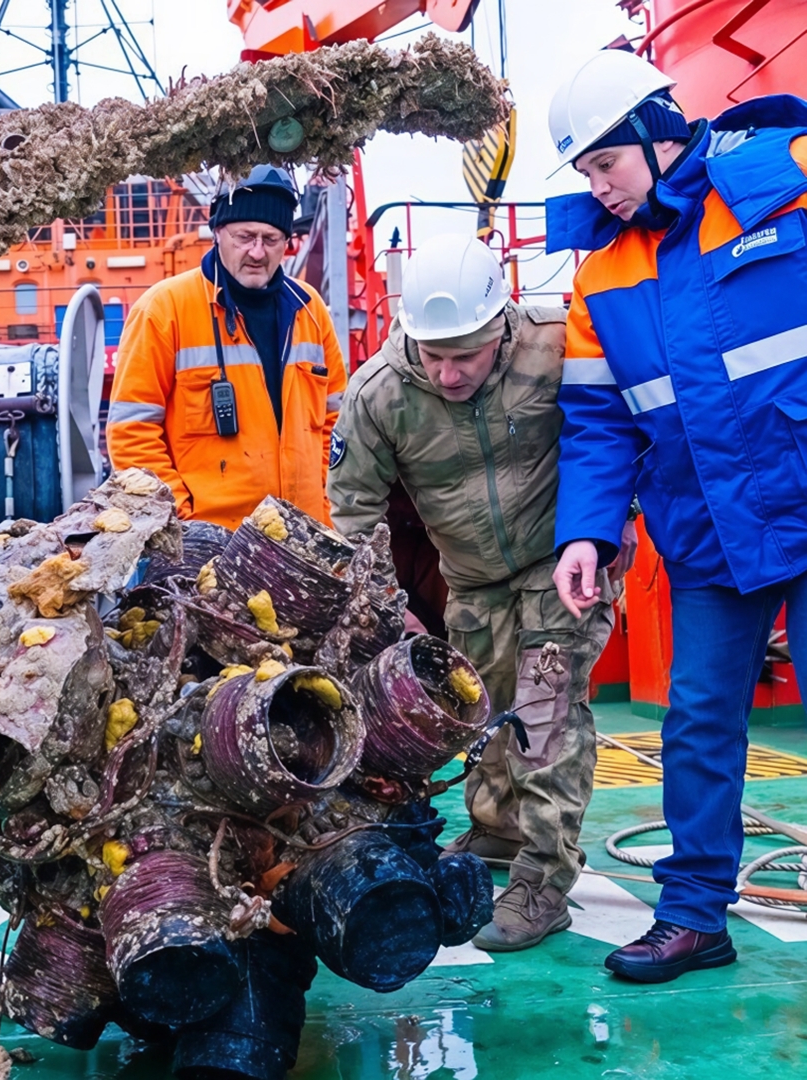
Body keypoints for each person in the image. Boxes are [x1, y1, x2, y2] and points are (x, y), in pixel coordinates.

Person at [546, 49, 807, 983]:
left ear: (658, 135)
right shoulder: (600, 279)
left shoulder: (784, 181)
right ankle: (695, 916)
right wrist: (585, 531)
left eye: (606, 163)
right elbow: (597, 420)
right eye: (584, 173)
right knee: (696, 722)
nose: (599, 188)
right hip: (708, 531)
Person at [327, 233, 633, 951]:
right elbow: (353, 514)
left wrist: (617, 522)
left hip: (561, 564)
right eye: (434, 355)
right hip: (469, 581)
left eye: (466, 354)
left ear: (502, 322)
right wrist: (386, 604)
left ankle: (543, 878)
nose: (449, 372)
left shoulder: (556, 345)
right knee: (484, 714)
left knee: (544, 716)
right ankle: (497, 830)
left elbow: (622, 427)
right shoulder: (379, 395)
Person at [106, 165, 348, 530]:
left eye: (271, 239)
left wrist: (325, 514)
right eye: (244, 236)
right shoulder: (164, 310)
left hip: (303, 537)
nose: (257, 252)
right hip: (208, 544)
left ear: (286, 241)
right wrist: (182, 525)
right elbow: (131, 433)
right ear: (218, 231)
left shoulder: (310, 309)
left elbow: (336, 423)